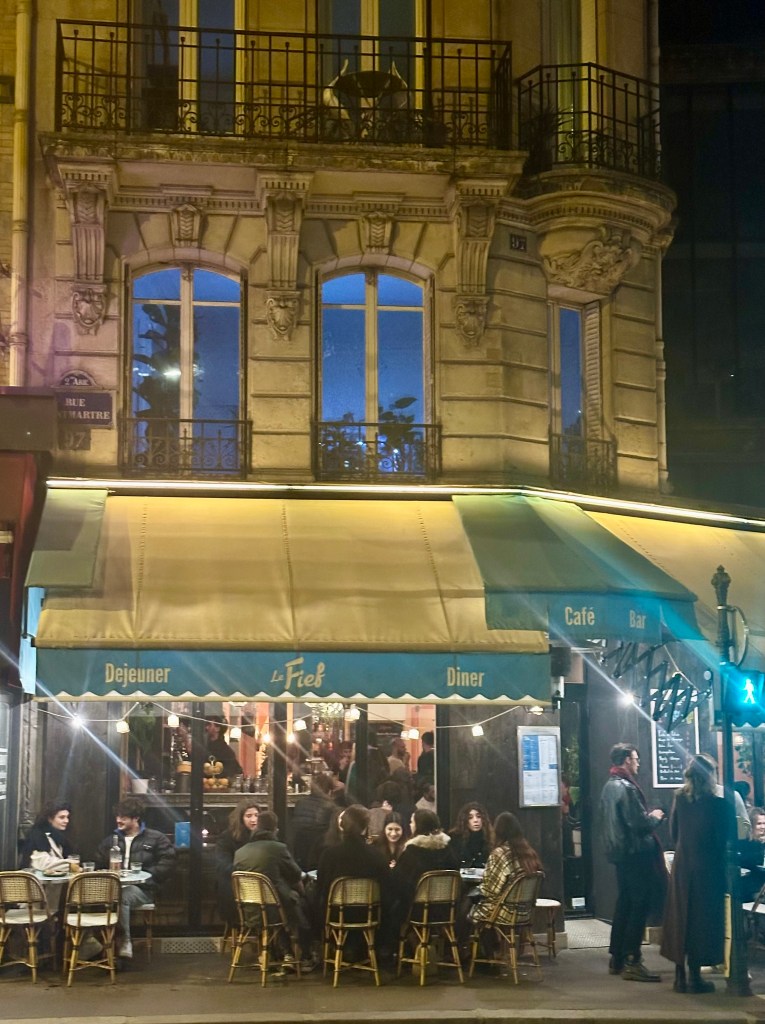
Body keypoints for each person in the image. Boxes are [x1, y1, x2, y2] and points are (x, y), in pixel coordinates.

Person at [660, 754, 735, 994]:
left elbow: (674, 833)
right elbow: (724, 840)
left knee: (681, 919)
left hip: (683, 868)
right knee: (701, 922)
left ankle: (680, 977)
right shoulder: (719, 805)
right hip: (708, 869)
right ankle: (695, 976)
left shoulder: (680, 799)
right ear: (711, 776)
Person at [599, 742, 666, 982]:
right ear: (627, 759)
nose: (638, 763)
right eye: (636, 759)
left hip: (620, 855)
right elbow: (639, 824)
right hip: (636, 854)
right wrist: (655, 817)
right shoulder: (626, 788)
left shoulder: (608, 786)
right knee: (639, 906)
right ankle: (632, 960)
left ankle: (617, 958)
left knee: (625, 904)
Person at [96, 797, 175, 962]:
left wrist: (147, 876)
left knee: (123, 896)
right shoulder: (111, 840)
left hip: (144, 889)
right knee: (92, 895)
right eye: (117, 816)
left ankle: (124, 942)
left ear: (136, 818)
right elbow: (98, 861)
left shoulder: (156, 838)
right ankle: (94, 943)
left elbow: (168, 862)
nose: (118, 820)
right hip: (113, 888)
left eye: (123, 817)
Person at [233, 809, 314, 967]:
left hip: (251, 910)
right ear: (275, 829)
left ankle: (285, 953)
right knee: (303, 905)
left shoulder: (240, 853)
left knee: (278, 904)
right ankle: (306, 956)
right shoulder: (278, 848)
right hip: (278, 910)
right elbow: (295, 875)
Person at [471, 812, 543, 925]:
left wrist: (476, 890)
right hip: (526, 912)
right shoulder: (528, 852)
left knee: (467, 904)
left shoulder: (499, 854)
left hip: (504, 912)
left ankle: (460, 936)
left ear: (498, 831)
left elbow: (491, 890)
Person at [392, 808, 457, 911]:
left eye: (412, 822)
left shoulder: (412, 851)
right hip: (446, 910)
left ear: (419, 826)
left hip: (416, 910)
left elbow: (399, 882)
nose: (410, 825)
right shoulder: (448, 849)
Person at [215, 798, 261, 926]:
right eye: (249, 816)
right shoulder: (227, 837)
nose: (254, 820)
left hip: (259, 884)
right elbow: (223, 865)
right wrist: (246, 873)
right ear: (241, 818)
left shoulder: (263, 836)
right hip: (234, 885)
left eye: (256, 815)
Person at [290, 772, 336, 870]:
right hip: (318, 851)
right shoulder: (331, 807)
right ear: (329, 791)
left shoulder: (300, 803)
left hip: (299, 847)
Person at [20, 801, 76, 870]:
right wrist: (73, 865)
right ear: (50, 819)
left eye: (67, 817)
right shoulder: (38, 835)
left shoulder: (59, 836)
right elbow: (44, 864)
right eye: (62, 817)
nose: (66, 821)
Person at [449, 802, 493, 869]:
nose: (475, 820)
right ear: (465, 820)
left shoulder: (490, 837)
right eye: (470, 817)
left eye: (479, 816)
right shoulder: (455, 838)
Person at [203, 715, 243, 780]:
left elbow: (233, 771)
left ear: (217, 729)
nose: (206, 728)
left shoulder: (226, 750)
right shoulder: (205, 745)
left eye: (209, 725)